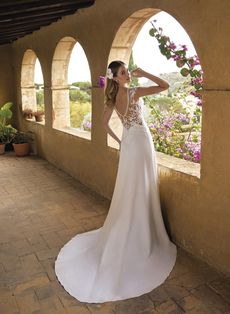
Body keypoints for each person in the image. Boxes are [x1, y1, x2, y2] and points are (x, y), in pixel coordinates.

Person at [55, 60, 177, 303]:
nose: (128, 74)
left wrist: (120, 140)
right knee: (141, 185)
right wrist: (145, 73)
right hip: (141, 141)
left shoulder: (112, 98)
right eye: (124, 72)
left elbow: (102, 125)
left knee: (130, 187)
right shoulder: (134, 91)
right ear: (117, 77)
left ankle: (133, 225)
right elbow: (164, 85)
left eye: (127, 71)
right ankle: (142, 232)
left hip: (129, 143)